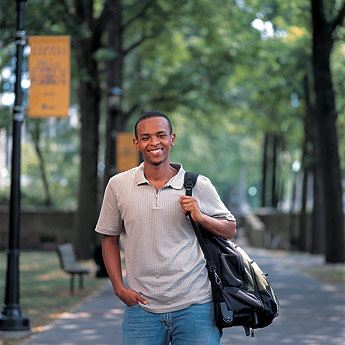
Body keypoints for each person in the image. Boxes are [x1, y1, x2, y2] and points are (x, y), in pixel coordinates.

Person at [95, 111, 236, 345]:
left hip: (196, 307)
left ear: (172, 138)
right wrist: (119, 288)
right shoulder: (118, 185)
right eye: (146, 137)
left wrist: (201, 217)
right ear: (136, 143)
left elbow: (230, 229)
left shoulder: (197, 184)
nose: (154, 143)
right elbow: (109, 238)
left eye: (161, 135)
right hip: (141, 309)